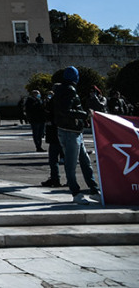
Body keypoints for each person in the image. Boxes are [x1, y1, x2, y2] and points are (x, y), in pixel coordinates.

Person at [53, 66, 100, 204]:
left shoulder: (61, 89)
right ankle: (76, 192)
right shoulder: (69, 90)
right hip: (70, 131)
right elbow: (66, 110)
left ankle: (93, 189)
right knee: (72, 163)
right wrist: (84, 114)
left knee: (84, 161)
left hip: (72, 131)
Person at [41, 90, 63, 188]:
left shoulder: (53, 104)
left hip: (55, 135)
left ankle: (55, 179)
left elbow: (48, 116)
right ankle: (57, 178)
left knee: (53, 159)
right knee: (63, 159)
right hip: (62, 134)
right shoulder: (63, 102)